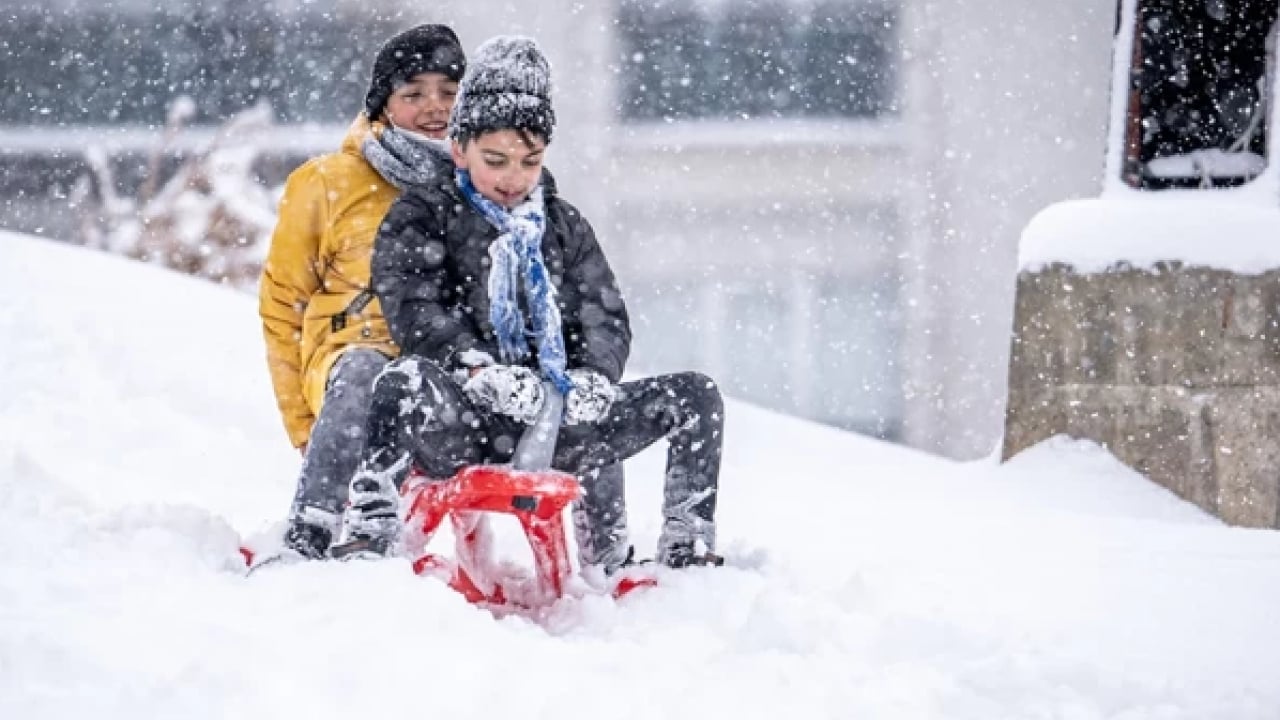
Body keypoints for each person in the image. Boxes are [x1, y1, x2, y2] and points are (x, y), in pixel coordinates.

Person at [335, 36, 724, 570]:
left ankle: (687, 547)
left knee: (695, 396)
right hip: (464, 422)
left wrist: (593, 377)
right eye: (495, 160)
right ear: (459, 149)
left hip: (557, 421)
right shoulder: (421, 216)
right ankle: (371, 530)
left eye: (529, 161)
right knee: (400, 382)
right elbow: (414, 309)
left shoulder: (563, 227)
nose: (512, 178)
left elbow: (604, 316)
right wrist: (477, 369)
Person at [257, 24, 467, 559]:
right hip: (348, 367)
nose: (434, 107)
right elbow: (282, 306)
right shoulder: (327, 182)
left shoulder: (482, 180)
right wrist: (304, 427)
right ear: (382, 105)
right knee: (366, 369)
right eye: (413, 93)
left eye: (448, 91)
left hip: (439, 372)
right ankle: (311, 532)